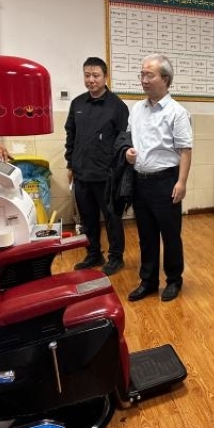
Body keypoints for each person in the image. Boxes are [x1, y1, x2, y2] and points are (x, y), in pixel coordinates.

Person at [126, 54, 192, 302]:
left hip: (166, 181)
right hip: (140, 180)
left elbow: (185, 150)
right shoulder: (137, 109)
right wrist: (128, 152)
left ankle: (174, 280)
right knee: (146, 235)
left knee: (170, 234)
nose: (143, 80)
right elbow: (128, 138)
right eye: (142, 74)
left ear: (165, 79)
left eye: (149, 75)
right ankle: (148, 281)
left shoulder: (177, 112)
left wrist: (181, 182)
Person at [65, 57, 129, 275]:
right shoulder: (77, 104)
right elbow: (71, 135)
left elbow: (123, 139)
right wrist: (70, 164)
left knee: (112, 218)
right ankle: (93, 253)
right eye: (87, 75)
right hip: (82, 173)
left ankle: (116, 257)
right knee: (87, 218)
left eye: (96, 75)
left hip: (106, 175)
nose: (91, 80)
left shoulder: (117, 106)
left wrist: (119, 171)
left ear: (105, 77)